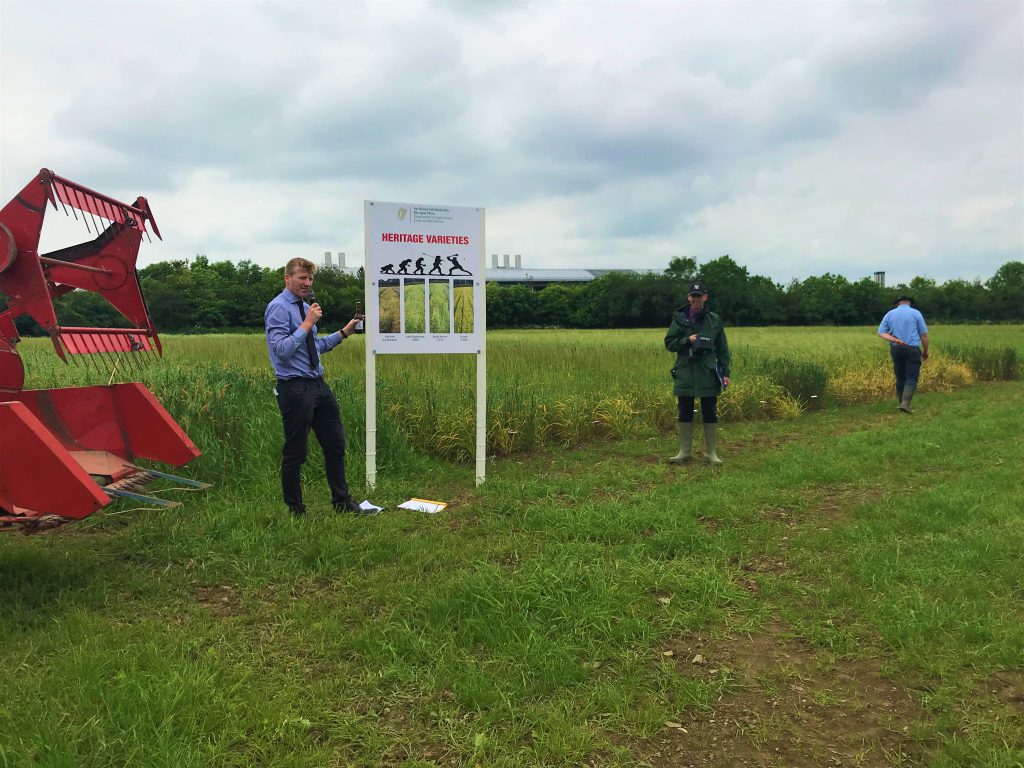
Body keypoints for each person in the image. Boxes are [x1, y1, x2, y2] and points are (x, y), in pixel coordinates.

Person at [265, 257, 366, 518]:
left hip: (318, 385)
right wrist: (307, 323)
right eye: (302, 278)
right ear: (287, 278)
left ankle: (342, 502)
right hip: (294, 388)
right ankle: (296, 510)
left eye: (310, 279)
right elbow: (282, 351)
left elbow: (314, 347)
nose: (307, 283)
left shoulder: (305, 307)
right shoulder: (278, 308)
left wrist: (344, 332)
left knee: (335, 444)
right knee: (296, 451)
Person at [664, 282, 731, 465]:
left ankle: (711, 453)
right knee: (684, 410)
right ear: (688, 297)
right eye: (693, 296)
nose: (695, 299)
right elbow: (669, 343)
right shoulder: (679, 319)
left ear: (705, 297)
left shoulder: (714, 320)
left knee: (710, 410)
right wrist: (688, 340)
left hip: (708, 371)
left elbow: (723, 349)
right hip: (685, 370)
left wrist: (725, 373)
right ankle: (684, 452)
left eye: (699, 296)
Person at [877, 295, 929, 414]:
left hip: (896, 349)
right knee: (911, 377)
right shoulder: (916, 313)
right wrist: (925, 351)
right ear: (909, 303)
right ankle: (905, 404)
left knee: (900, 377)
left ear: (897, 303)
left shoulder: (890, 314)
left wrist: (894, 340)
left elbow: (881, 332)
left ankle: (901, 404)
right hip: (912, 349)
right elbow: (924, 335)